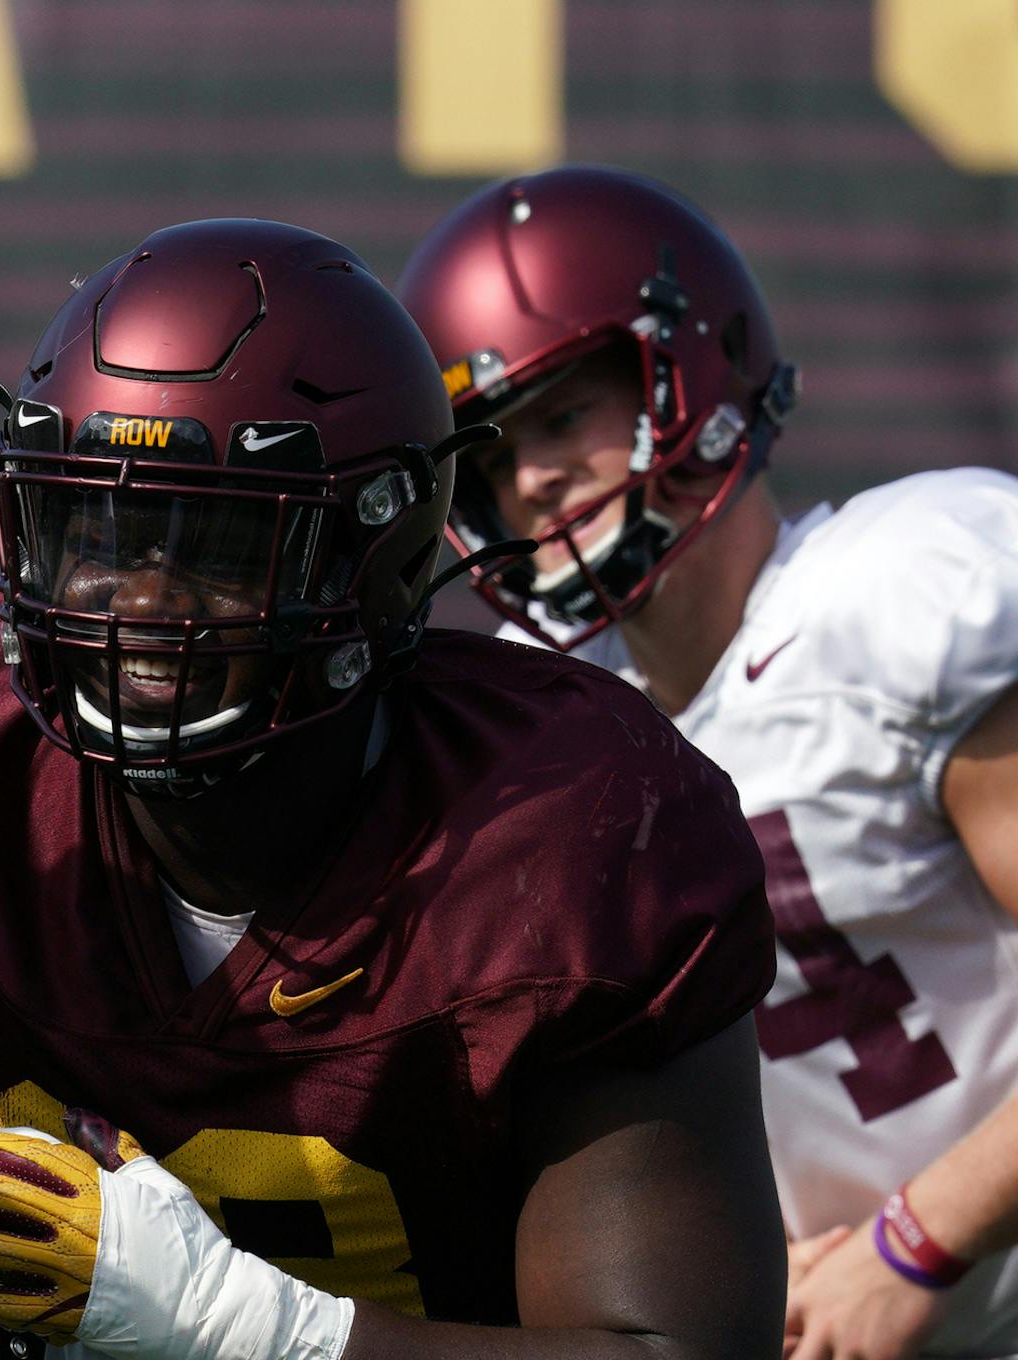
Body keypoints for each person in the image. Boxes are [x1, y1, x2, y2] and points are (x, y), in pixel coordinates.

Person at [0, 217, 787, 1360]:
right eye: (94, 532)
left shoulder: (565, 823)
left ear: (376, 549)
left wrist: (267, 1334)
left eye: (216, 546)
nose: (137, 603)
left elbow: (670, 1344)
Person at [398, 165, 1018, 1360]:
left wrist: (917, 1242)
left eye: (563, 415)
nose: (528, 478)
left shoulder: (897, 596)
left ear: (687, 377)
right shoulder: (576, 749)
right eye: (495, 453)